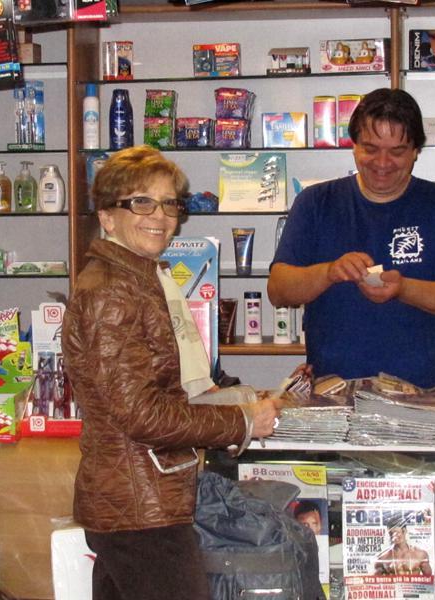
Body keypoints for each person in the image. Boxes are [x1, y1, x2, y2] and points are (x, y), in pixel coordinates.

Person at [62, 145, 282, 600]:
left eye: (169, 204)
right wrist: (240, 422)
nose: (160, 216)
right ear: (107, 216)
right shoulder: (113, 292)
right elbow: (141, 414)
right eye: (141, 202)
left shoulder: (138, 278)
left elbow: (157, 391)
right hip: (139, 507)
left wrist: (232, 402)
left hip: (137, 500)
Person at [268, 88, 435, 389]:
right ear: (354, 146)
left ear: (416, 151)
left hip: (420, 395)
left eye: (397, 151)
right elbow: (278, 289)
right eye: (370, 148)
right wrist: (329, 272)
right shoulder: (315, 202)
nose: (382, 162)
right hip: (332, 392)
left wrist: (404, 289)